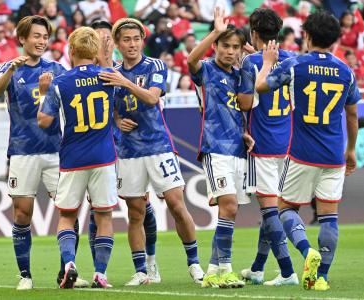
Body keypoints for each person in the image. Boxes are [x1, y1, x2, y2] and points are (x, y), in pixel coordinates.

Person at [255, 11, 360, 291]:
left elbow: (261, 86)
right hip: (334, 156)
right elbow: (352, 116)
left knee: (285, 209)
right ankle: (321, 277)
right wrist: (351, 150)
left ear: (308, 36)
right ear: (335, 40)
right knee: (329, 216)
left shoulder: (296, 66)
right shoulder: (346, 72)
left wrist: (266, 63)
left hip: (302, 153)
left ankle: (306, 251)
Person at [98, 17, 205, 286]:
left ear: (142, 40)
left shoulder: (154, 65)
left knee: (176, 204)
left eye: (136, 39)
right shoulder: (111, 71)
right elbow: (104, 105)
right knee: (135, 212)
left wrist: (124, 81)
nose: (132, 44)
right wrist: (115, 119)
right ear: (118, 44)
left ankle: (194, 263)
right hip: (128, 150)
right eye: (126, 40)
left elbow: (152, 97)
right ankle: (142, 270)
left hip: (158, 146)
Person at [0, 15, 87, 290]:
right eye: (36, 36)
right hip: (22, 152)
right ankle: (25, 275)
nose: (41, 41)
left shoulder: (57, 68)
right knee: (23, 213)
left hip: (56, 151)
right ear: (22, 38)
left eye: (45, 37)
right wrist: (11, 69)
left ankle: (66, 271)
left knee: (69, 210)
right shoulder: (9, 68)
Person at [37, 26, 117, 289]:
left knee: (67, 216)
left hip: (72, 158)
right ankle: (101, 273)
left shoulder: (60, 83)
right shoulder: (109, 77)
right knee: (103, 216)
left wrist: (44, 92)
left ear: (71, 51)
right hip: (104, 157)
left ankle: (69, 261)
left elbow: (44, 121)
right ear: (94, 52)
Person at [90, 20, 162, 284]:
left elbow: (145, 100)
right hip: (98, 149)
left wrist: (119, 122)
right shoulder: (88, 73)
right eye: (99, 40)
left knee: (142, 206)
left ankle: (150, 263)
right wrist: (115, 120)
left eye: (108, 39)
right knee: (96, 210)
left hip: (128, 148)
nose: (105, 45)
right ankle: (101, 270)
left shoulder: (122, 72)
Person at [187, 7, 252, 289]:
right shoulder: (208, 71)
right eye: (225, 45)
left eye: (235, 47)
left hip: (238, 148)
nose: (230, 51)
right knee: (229, 206)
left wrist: (245, 133)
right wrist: (215, 30)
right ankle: (224, 267)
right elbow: (190, 60)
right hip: (214, 148)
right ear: (215, 46)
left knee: (231, 210)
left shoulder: (240, 75)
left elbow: (242, 109)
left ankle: (214, 271)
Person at [237, 8, 298, 287]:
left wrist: (250, 63)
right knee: (272, 206)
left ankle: (287, 271)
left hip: (261, 143)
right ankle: (258, 268)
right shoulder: (294, 60)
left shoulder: (250, 61)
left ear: (254, 33)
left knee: (268, 210)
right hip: (288, 143)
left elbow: (246, 103)